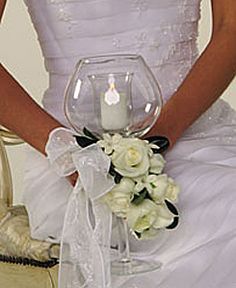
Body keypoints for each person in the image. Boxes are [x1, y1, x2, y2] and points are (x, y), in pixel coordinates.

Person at [1, 0, 236, 287]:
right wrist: (62, 147)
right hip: (74, 153)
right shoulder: (69, 151)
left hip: (195, 128)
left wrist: (156, 139)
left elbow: (230, 28)